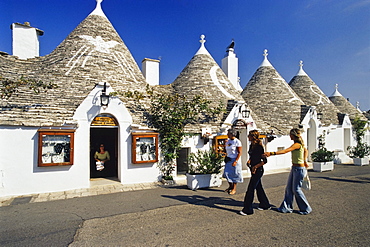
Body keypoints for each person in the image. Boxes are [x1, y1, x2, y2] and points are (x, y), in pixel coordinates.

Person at [264, 128, 312, 215]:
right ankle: (286, 208)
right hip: (295, 168)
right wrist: (304, 160)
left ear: (293, 135)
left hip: (299, 169)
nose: (289, 136)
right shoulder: (298, 144)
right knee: (289, 189)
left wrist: (271, 153)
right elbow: (305, 150)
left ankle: (306, 208)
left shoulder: (297, 145)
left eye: (290, 135)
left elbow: (285, 151)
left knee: (296, 189)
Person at [240, 130, 270, 215]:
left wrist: (255, 167)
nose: (248, 137)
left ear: (253, 137)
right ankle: (265, 204)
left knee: (250, 189)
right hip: (252, 169)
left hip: (258, 170)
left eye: (249, 136)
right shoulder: (251, 145)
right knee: (258, 187)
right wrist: (249, 161)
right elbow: (252, 156)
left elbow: (264, 161)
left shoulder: (259, 147)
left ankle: (248, 209)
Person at [223, 129, 243, 195]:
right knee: (227, 173)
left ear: (232, 134)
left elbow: (239, 152)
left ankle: (234, 188)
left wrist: (236, 161)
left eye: (228, 133)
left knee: (234, 174)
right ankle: (230, 186)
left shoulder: (237, 141)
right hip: (228, 159)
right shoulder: (227, 141)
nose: (227, 134)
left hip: (234, 159)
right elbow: (226, 150)